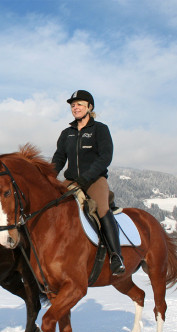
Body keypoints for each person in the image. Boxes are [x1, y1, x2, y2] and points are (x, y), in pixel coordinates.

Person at [51, 90, 125, 275]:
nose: (75, 108)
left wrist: (87, 176)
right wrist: (49, 176)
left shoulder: (100, 129)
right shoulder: (66, 133)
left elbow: (105, 157)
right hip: (71, 180)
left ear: (89, 107)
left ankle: (116, 256)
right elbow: (59, 158)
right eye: (73, 105)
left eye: (80, 104)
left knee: (101, 209)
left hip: (94, 179)